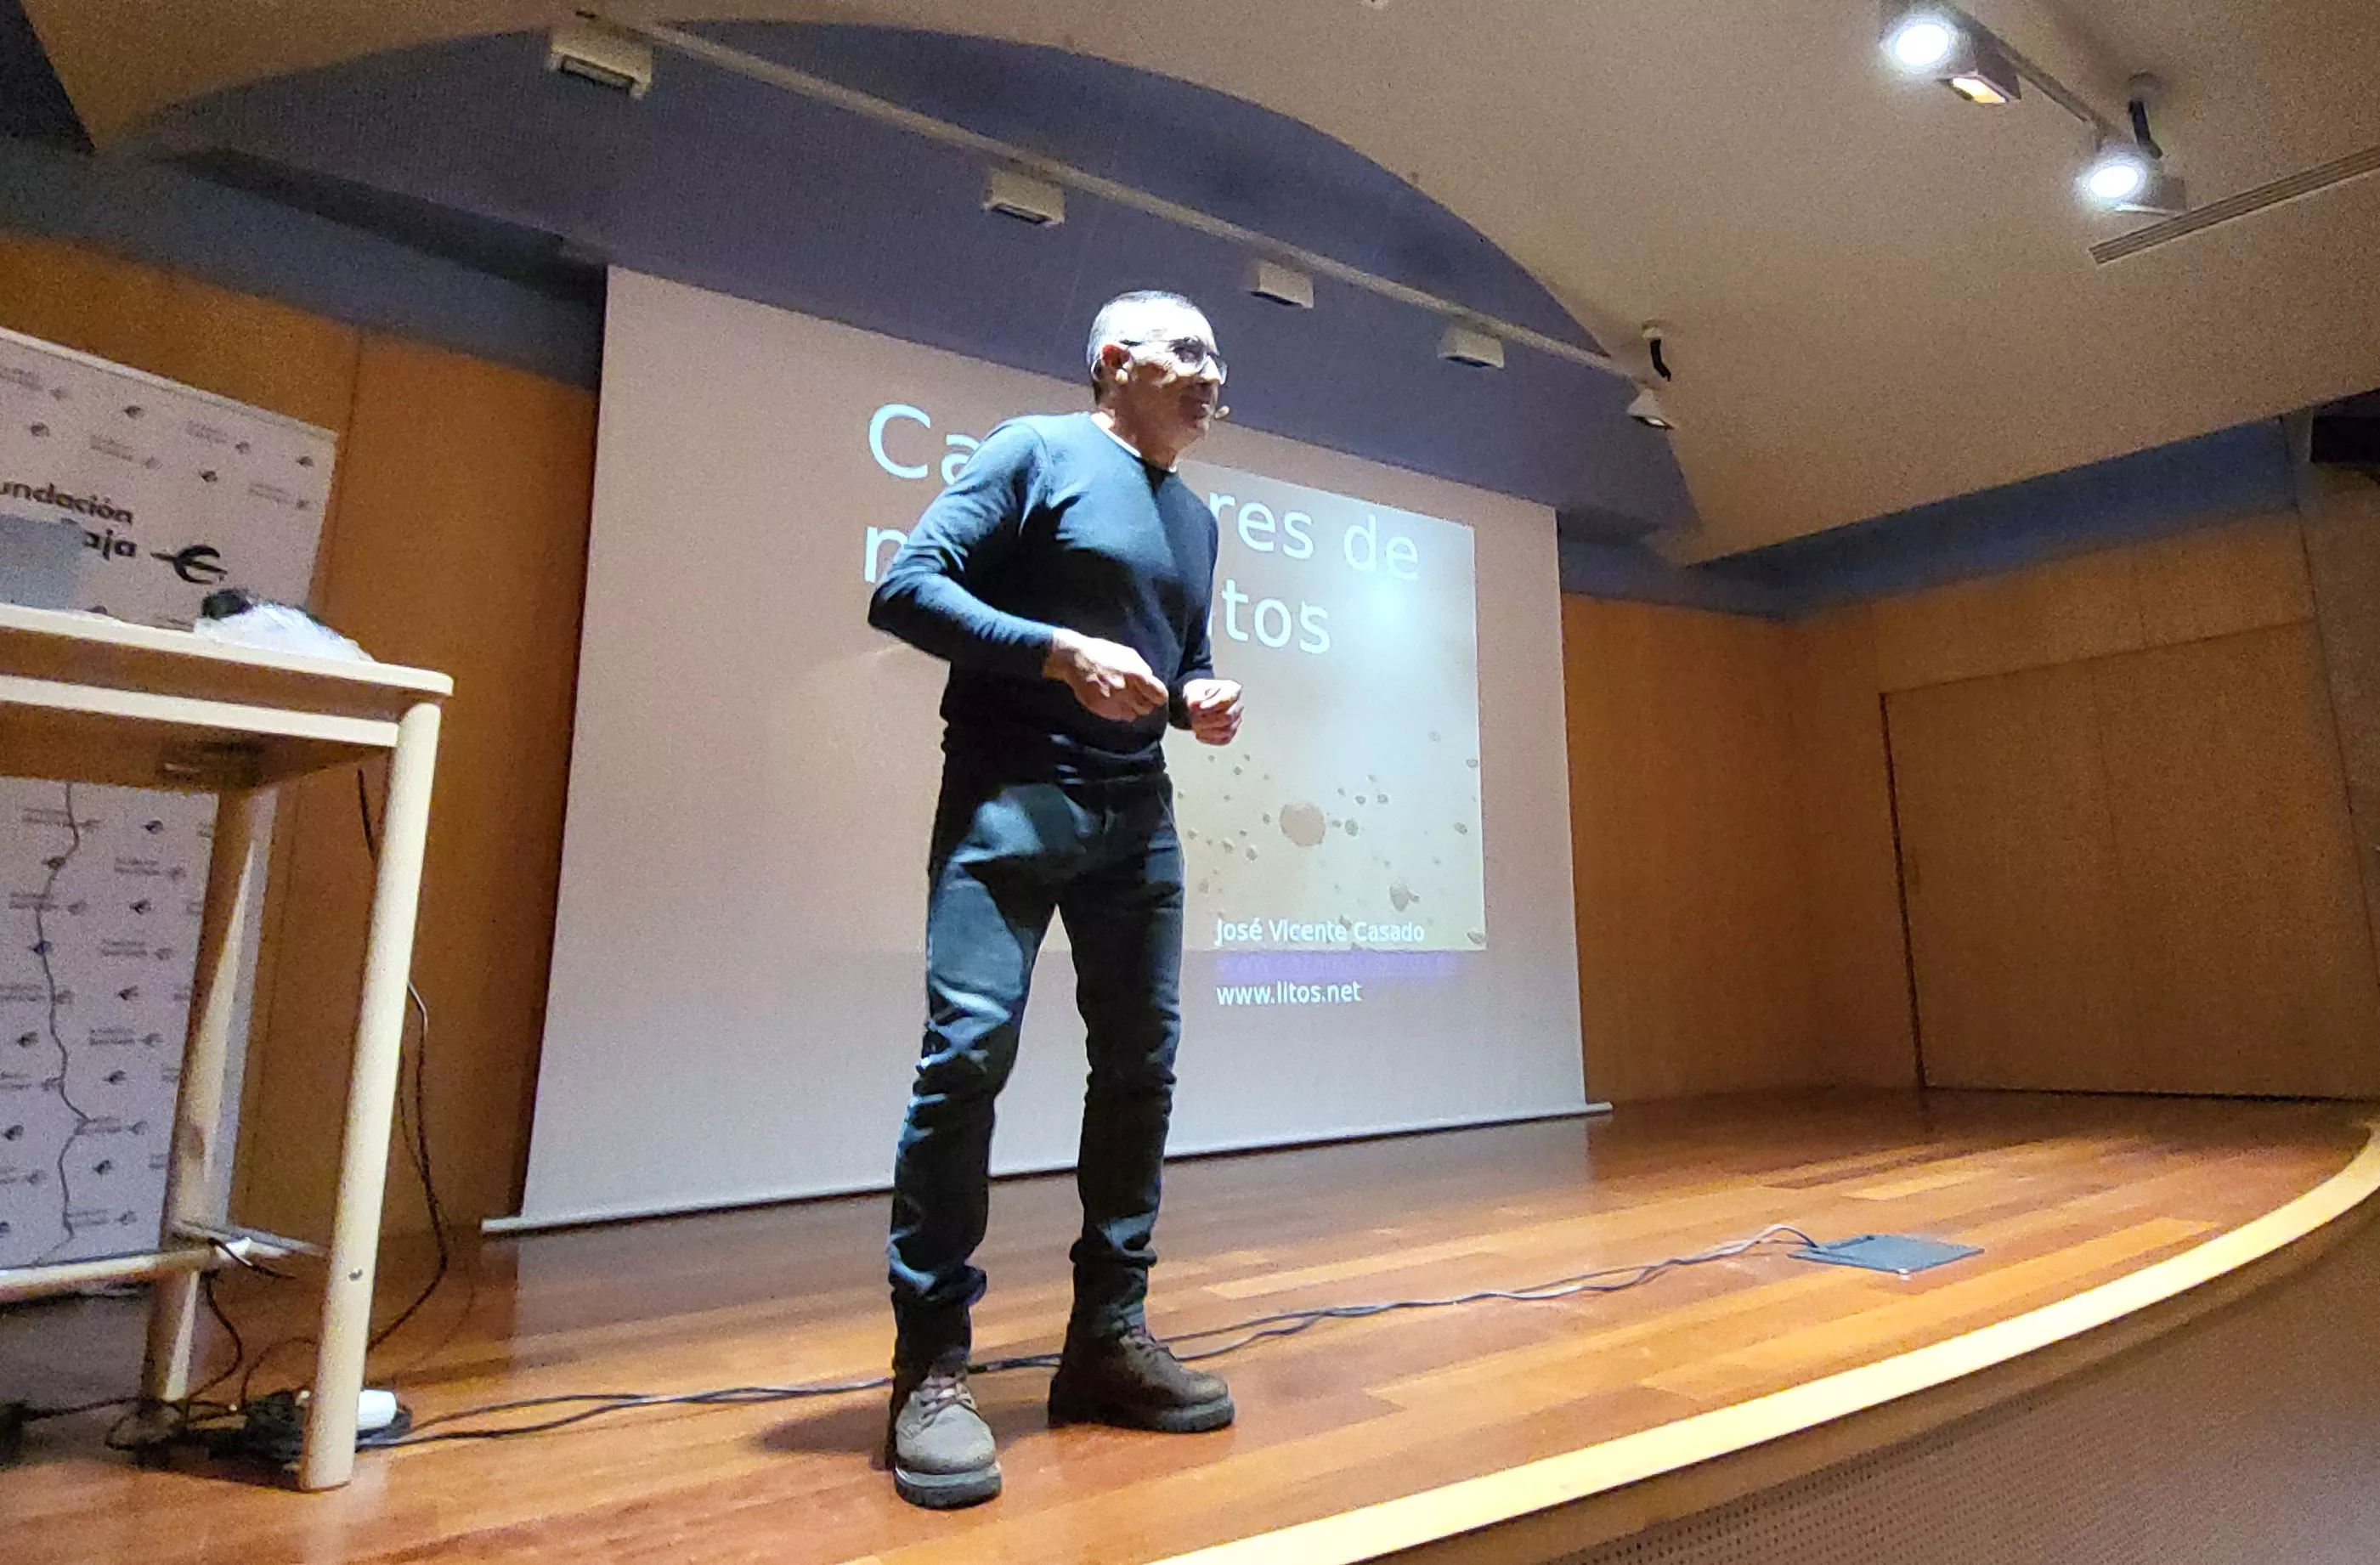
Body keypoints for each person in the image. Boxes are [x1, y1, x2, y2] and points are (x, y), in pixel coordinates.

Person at [864, 289, 1245, 1509]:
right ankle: (929, 1368)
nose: (1211, 370)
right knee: (967, 1054)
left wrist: (1200, 695)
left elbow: (1173, 664)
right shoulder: (1036, 451)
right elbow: (904, 588)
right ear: (1111, 362)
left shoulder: (1197, 514)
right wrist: (1058, 651)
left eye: (1216, 354)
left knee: (1141, 1065)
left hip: (1138, 818)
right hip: (1009, 796)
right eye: (1185, 349)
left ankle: (1106, 1342)